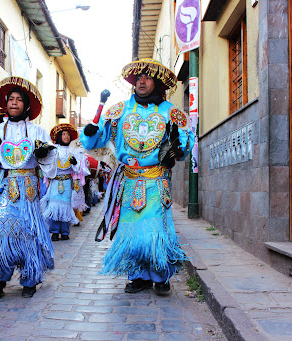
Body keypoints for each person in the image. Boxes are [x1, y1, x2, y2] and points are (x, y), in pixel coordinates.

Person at [80, 58, 194, 295]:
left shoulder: (170, 112)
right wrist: (90, 133)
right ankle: (137, 276)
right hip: (129, 180)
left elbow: (184, 142)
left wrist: (177, 148)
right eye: (138, 78)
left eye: (147, 77)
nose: (142, 81)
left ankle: (161, 276)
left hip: (156, 180)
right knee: (130, 230)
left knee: (155, 230)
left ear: (157, 82)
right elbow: (96, 138)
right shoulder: (119, 110)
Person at [0, 76, 57, 299]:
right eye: (10, 99)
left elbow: (50, 167)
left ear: (26, 104)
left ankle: (30, 278)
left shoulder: (37, 132)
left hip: (30, 189)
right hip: (6, 187)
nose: (13, 103)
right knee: (3, 231)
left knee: (29, 232)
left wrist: (43, 156)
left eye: (18, 99)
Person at [41, 124, 81, 241]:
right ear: (59, 136)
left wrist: (75, 163)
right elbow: (47, 165)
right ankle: (54, 232)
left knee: (66, 207)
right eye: (63, 134)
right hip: (55, 182)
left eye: (68, 134)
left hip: (67, 182)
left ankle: (65, 231)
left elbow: (79, 168)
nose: (66, 136)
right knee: (54, 207)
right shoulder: (53, 150)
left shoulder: (73, 151)